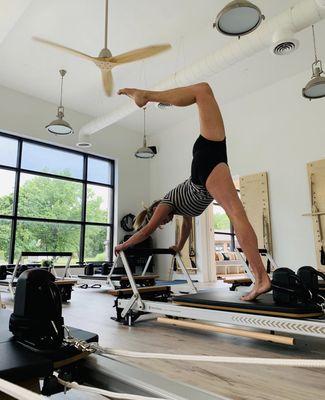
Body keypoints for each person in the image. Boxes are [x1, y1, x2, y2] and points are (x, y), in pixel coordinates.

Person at [114, 82, 271, 301]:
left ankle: (261, 279)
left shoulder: (165, 204)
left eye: (162, 222)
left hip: (203, 168)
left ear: (158, 213)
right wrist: (178, 246)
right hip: (210, 160)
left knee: (237, 216)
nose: (164, 223)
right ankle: (145, 96)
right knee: (203, 90)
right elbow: (187, 226)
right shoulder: (181, 208)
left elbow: (146, 230)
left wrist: (124, 244)